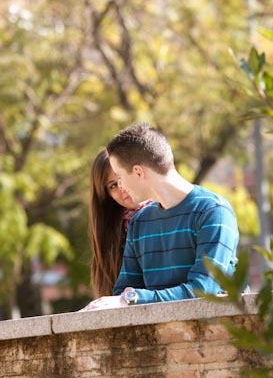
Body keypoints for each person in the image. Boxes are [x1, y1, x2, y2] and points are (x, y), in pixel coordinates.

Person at [82, 124, 239, 310]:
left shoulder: (214, 211)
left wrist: (133, 298)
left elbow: (203, 289)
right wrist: (128, 298)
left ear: (138, 172)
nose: (121, 186)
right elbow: (122, 293)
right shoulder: (140, 223)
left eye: (120, 176)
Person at [88, 149, 150, 297]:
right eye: (113, 185)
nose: (122, 188)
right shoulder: (114, 235)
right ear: (107, 195)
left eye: (122, 178)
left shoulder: (172, 213)